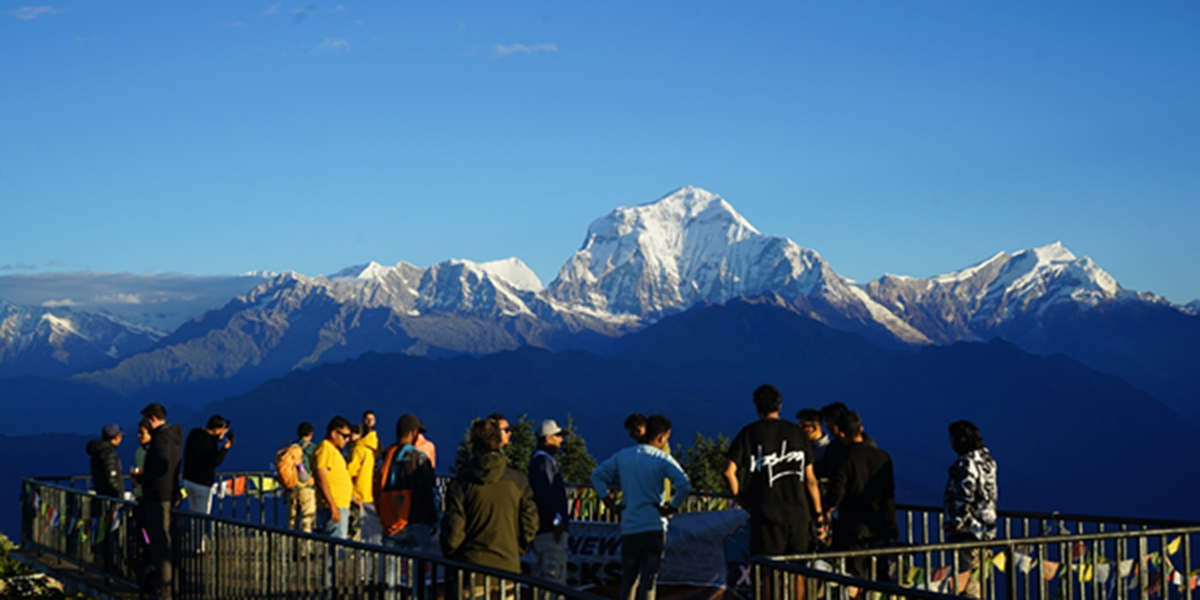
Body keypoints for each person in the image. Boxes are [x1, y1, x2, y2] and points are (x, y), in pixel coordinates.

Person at [592, 414, 691, 600]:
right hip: (654, 526)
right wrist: (672, 506)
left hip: (630, 526)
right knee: (649, 579)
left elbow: (597, 476)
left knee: (629, 578)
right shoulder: (663, 459)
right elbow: (684, 485)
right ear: (662, 436)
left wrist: (608, 501)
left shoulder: (623, 456)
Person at [724, 385, 823, 560]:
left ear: (757, 407)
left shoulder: (749, 433)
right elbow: (811, 480)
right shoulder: (798, 434)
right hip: (799, 514)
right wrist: (818, 515)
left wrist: (742, 499)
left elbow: (728, 472)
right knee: (800, 571)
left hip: (765, 514)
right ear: (780, 406)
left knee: (767, 569)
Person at [441, 417, 539, 573]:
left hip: (471, 568)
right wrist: (515, 549)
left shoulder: (460, 484)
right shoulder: (517, 481)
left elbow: (454, 531)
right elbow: (530, 522)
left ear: (473, 444)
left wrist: (456, 555)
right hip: (508, 568)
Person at [823, 410, 897, 582]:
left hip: (852, 526)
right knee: (881, 576)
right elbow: (889, 495)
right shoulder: (882, 457)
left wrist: (824, 510)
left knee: (855, 577)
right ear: (861, 428)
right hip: (879, 525)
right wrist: (892, 521)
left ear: (841, 434)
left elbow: (836, 494)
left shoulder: (844, 458)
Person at [133, 402, 182, 600]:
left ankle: (162, 589)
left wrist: (143, 477)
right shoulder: (174, 438)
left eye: (145, 421)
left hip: (158, 496)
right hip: (170, 494)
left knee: (159, 542)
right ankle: (170, 586)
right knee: (166, 541)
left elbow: (162, 465)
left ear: (152, 419)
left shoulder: (160, 440)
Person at [944, 420, 997, 599]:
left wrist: (956, 522)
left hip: (969, 531)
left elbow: (964, 494)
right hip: (986, 529)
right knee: (979, 579)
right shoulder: (988, 461)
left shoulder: (966, 464)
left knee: (967, 583)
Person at [376, 414, 440, 552]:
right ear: (414, 433)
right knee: (419, 568)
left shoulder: (383, 456)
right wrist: (434, 518)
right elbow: (430, 491)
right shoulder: (420, 458)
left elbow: (376, 490)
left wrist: (382, 514)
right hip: (417, 520)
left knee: (389, 569)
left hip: (391, 522)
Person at [529, 419, 570, 588]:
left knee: (543, 578)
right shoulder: (544, 462)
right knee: (553, 578)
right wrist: (557, 521)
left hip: (543, 530)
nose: (561, 440)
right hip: (550, 532)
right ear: (547, 438)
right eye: (557, 436)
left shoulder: (540, 460)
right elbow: (547, 495)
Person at [182, 414, 232, 515]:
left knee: (193, 513)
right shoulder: (210, 443)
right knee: (202, 515)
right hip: (202, 483)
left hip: (188, 480)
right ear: (215, 430)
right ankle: (199, 531)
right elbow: (214, 462)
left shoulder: (194, 433)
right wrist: (225, 448)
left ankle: (193, 530)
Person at [314, 416, 355, 539]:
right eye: (344, 436)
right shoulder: (325, 449)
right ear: (333, 433)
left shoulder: (333, 450)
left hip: (340, 505)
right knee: (337, 546)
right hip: (335, 506)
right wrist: (332, 506)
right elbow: (321, 478)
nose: (347, 440)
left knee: (338, 544)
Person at [347, 423, 382, 544]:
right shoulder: (372, 449)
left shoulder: (358, 449)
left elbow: (350, 471)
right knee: (368, 529)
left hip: (357, 492)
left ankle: (353, 554)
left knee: (355, 527)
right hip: (370, 493)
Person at [286, 422, 318, 532]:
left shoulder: (291, 446)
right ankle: (305, 549)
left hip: (292, 487)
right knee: (306, 521)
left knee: (291, 521)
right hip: (307, 487)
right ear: (311, 434)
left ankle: (289, 548)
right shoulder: (312, 448)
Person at [87, 423, 125, 499]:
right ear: (116, 437)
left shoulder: (98, 451)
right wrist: (119, 494)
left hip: (101, 495)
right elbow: (111, 477)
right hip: (110, 498)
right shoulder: (108, 453)